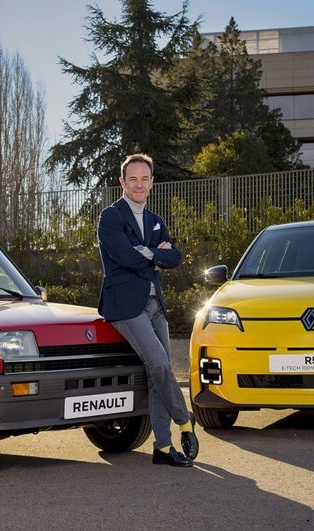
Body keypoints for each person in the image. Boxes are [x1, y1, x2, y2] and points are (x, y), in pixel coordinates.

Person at [97, 153, 198, 467]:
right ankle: (185, 421)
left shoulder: (155, 219)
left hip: (156, 306)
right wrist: (155, 254)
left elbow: (176, 258)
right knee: (160, 365)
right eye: (133, 179)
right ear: (122, 182)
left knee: (157, 376)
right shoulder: (111, 217)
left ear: (152, 183)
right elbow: (124, 257)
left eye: (144, 178)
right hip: (126, 307)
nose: (138, 184)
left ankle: (163, 447)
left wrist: (145, 252)